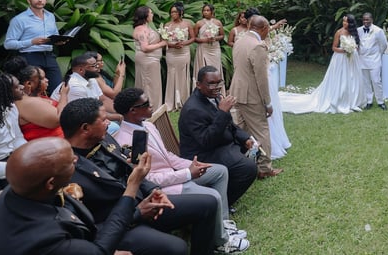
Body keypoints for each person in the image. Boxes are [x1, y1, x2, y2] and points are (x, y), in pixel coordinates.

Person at [61, 97, 247, 254]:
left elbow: (131, 172)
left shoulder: (104, 139)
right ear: (85, 128)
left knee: (208, 203)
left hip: (145, 202)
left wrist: (155, 191)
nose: (109, 123)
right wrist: (137, 213)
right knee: (177, 248)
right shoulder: (69, 169)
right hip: (122, 225)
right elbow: (94, 222)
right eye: (103, 120)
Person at [112, 88, 248, 244]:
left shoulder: (148, 126)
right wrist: (187, 174)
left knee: (219, 171)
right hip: (163, 188)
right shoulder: (126, 141)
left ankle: (222, 225)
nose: (151, 105)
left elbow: (167, 156)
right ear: (133, 111)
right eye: (147, 103)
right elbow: (147, 179)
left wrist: (192, 164)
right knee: (213, 196)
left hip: (175, 174)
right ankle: (222, 242)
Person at [0, 137, 152, 255]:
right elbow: (98, 252)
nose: (76, 159)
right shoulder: (44, 238)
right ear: (50, 183)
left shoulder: (20, 190)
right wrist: (132, 186)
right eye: (70, 162)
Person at [179, 66, 257, 207]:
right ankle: (221, 203)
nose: (216, 87)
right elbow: (206, 141)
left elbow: (229, 124)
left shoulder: (213, 96)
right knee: (248, 168)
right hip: (202, 154)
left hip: (220, 144)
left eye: (219, 83)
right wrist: (222, 112)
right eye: (211, 83)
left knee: (252, 151)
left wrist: (245, 138)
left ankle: (223, 195)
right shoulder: (193, 109)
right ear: (198, 84)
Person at [280, 14, 366, 114]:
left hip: (352, 59)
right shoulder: (339, 32)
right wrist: (344, 50)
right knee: (341, 79)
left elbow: (357, 45)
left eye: (346, 21)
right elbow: (334, 48)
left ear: (351, 23)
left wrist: (352, 49)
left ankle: (352, 100)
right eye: (343, 21)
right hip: (341, 59)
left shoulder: (354, 32)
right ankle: (339, 99)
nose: (344, 23)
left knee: (353, 78)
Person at [230, 15, 282, 179]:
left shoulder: (240, 40)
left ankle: (244, 163)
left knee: (241, 130)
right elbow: (261, 78)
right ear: (264, 28)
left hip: (236, 91)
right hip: (251, 95)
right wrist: (267, 102)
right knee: (261, 131)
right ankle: (264, 168)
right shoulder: (258, 46)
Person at [3, 0, 63, 94]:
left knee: (58, 88)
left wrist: (58, 41)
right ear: (28, 0)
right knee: (33, 90)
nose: (40, 0)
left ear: (45, 0)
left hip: (49, 56)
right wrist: (31, 42)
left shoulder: (50, 16)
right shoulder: (19, 19)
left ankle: (55, 110)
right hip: (30, 56)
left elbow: (54, 35)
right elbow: (8, 44)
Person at [13, 62, 66, 140]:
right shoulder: (26, 103)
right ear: (29, 84)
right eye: (43, 78)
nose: (47, 80)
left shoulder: (35, 96)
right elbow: (59, 119)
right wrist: (64, 95)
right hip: (47, 148)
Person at [133, 6, 167, 112]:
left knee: (153, 84)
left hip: (152, 60)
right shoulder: (141, 30)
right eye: (151, 13)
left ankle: (153, 107)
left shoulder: (146, 27)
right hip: (147, 61)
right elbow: (145, 48)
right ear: (145, 15)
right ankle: (150, 108)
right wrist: (162, 43)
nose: (152, 15)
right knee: (148, 85)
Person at [162, 2, 195, 111]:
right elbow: (164, 40)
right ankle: (170, 101)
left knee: (183, 75)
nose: (173, 14)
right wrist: (172, 45)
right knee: (171, 74)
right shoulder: (167, 25)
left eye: (175, 12)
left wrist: (183, 43)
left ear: (181, 12)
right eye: (171, 12)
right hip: (171, 52)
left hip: (183, 53)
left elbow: (192, 38)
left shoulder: (187, 24)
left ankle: (183, 100)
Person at [358, 12, 388, 110]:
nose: (366, 21)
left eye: (368, 19)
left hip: (374, 59)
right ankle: (369, 101)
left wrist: (378, 55)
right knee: (366, 81)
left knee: (376, 81)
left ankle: (380, 101)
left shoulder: (378, 30)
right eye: (364, 20)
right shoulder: (359, 30)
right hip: (362, 59)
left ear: (372, 20)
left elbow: (383, 44)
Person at [195, 3, 225, 77]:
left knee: (215, 67)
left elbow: (222, 35)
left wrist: (215, 38)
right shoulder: (199, 23)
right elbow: (194, 38)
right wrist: (204, 40)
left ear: (212, 11)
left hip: (214, 48)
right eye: (204, 10)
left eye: (208, 10)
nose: (205, 12)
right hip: (203, 48)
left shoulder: (218, 22)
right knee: (204, 68)